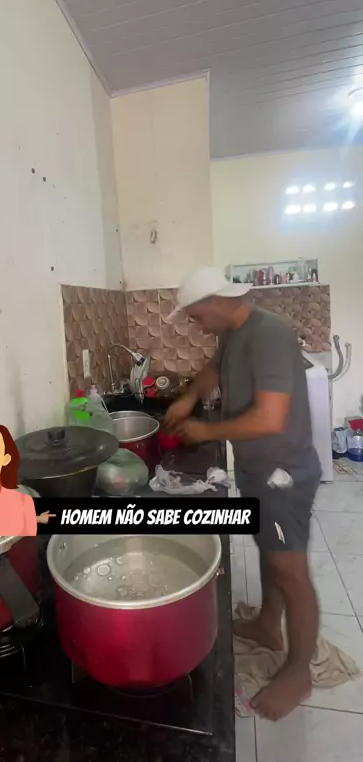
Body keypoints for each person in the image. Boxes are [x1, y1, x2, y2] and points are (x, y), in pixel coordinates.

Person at [165, 267, 321, 721]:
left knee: (290, 569)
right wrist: (188, 398)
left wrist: (205, 430)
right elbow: (212, 372)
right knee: (271, 551)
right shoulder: (234, 333)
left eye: (197, 317)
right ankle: (269, 625)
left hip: (281, 474)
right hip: (258, 469)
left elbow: (270, 418)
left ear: (216, 302)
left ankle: (299, 673)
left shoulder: (269, 334)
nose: (198, 326)